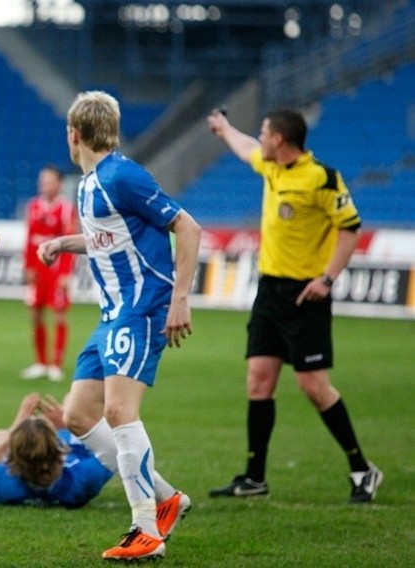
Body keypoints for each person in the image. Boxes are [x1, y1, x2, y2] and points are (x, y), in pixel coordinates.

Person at [37, 90, 200, 562]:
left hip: (142, 308)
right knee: (78, 414)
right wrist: (66, 243)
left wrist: (179, 299)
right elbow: (109, 238)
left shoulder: (123, 175)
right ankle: (167, 498)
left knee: (119, 412)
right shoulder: (89, 185)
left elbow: (187, 227)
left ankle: (145, 528)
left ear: (74, 134)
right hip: (111, 315)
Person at [206, 108, 382, 504]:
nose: (260, 138)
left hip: (306, 296)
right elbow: (245, 147)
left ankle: (362, 469)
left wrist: (326, 279)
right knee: (258, 381)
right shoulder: (272, 168)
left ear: (280, 140)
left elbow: (350, 228)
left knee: (314, 387)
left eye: (264, 132)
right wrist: (224, 129)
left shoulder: (321, 177)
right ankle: (254, 478)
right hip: (270, 291)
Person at [0, 391, 114, 508]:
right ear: (58, 447)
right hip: (77, 444)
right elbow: (115, 447)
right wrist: (72, 424)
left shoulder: (1, 484)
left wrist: (14, 429)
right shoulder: (81, 479)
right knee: (73, 398)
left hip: (34, 451)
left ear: (14, 452)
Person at [20, 165, 78, 382]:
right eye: (42, 180)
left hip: (56, 270)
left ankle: (57, 364)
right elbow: (29, 238)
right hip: (38, 270)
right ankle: (41, 362)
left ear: (59, 183)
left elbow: (70, 244)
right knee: (35, 315)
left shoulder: (66, 209)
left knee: (59, 314)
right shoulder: (33, 206)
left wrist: (65, 273)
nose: (44, 185)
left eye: (49, 181)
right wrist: (28, 266)